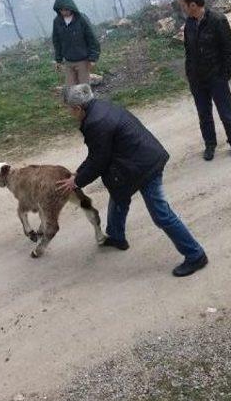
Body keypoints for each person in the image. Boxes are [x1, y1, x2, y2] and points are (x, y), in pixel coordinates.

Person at [56, 84, 208, 278]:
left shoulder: (96, 122)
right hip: (135, 160)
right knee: (119, 196)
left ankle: (196, 255)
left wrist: (76, 182)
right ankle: (117, 237)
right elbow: (98, 154)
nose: (69, 113)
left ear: (78, 108)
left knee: (161, 214)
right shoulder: (99, 108)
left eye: (68, 108)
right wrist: (78, 174)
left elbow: (99, 160)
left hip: (145, 166)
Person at [179, 0, 231, 162]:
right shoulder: (189, 24)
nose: (182, 8)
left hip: (217, 77)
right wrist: (190, 73)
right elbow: (188, 51)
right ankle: (210, 145)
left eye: (184, 5)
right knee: (204, 114)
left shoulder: (217, 20)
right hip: (197, 80)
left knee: (226, 113)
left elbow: (229, 50)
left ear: (193, 5)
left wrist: (224, 75)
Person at [52, 0, 101, 86]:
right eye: (61, 10)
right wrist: (58, 59)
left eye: (66, 9)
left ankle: (87, 101)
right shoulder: (57, 21)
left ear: (71, 7)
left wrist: (93, 58)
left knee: (84, 89)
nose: (64, 12)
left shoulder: (81, 19)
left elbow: (91, 38)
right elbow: (56, 41)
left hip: (82, 60)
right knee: (71, 89)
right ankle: (75, 101)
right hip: (68, 61)